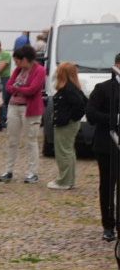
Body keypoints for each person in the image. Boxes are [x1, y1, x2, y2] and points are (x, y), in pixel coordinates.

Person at [0, 44, 47, 184]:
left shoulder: (40, 70)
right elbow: (8, 86)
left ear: (25, 59)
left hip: (29, 109)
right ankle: (8, 170)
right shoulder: (18, 70)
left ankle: (33, 172)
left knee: (31, 140)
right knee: (12, 140)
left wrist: (18, 89)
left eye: (18, 61)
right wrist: (18, 89)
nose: (16, 64)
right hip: (14, 106)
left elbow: (33, 89)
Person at [84, 53, 120, 240]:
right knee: (107, 186)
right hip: (108, 145)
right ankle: (108, 225)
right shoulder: (103, 88)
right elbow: (90, 114)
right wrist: (114, 119)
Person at [49, 61, 87, 191]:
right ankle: (68, 180)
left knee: (63, 153)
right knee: (68, 151)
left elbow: (81, 105)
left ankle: (64, 181)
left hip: (66, 125)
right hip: (68, 124)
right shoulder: (73, 87)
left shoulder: (68, 89)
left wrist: (71, 118)